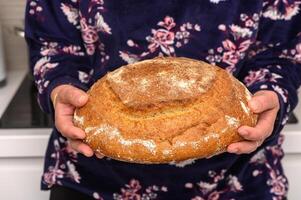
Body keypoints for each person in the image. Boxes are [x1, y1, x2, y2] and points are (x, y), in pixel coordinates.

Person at [25, 0, 301, 199]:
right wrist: (60, 88)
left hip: (235, 181)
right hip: (91, 179)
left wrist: (271, 94)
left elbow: (281, 55)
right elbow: (53, 48)